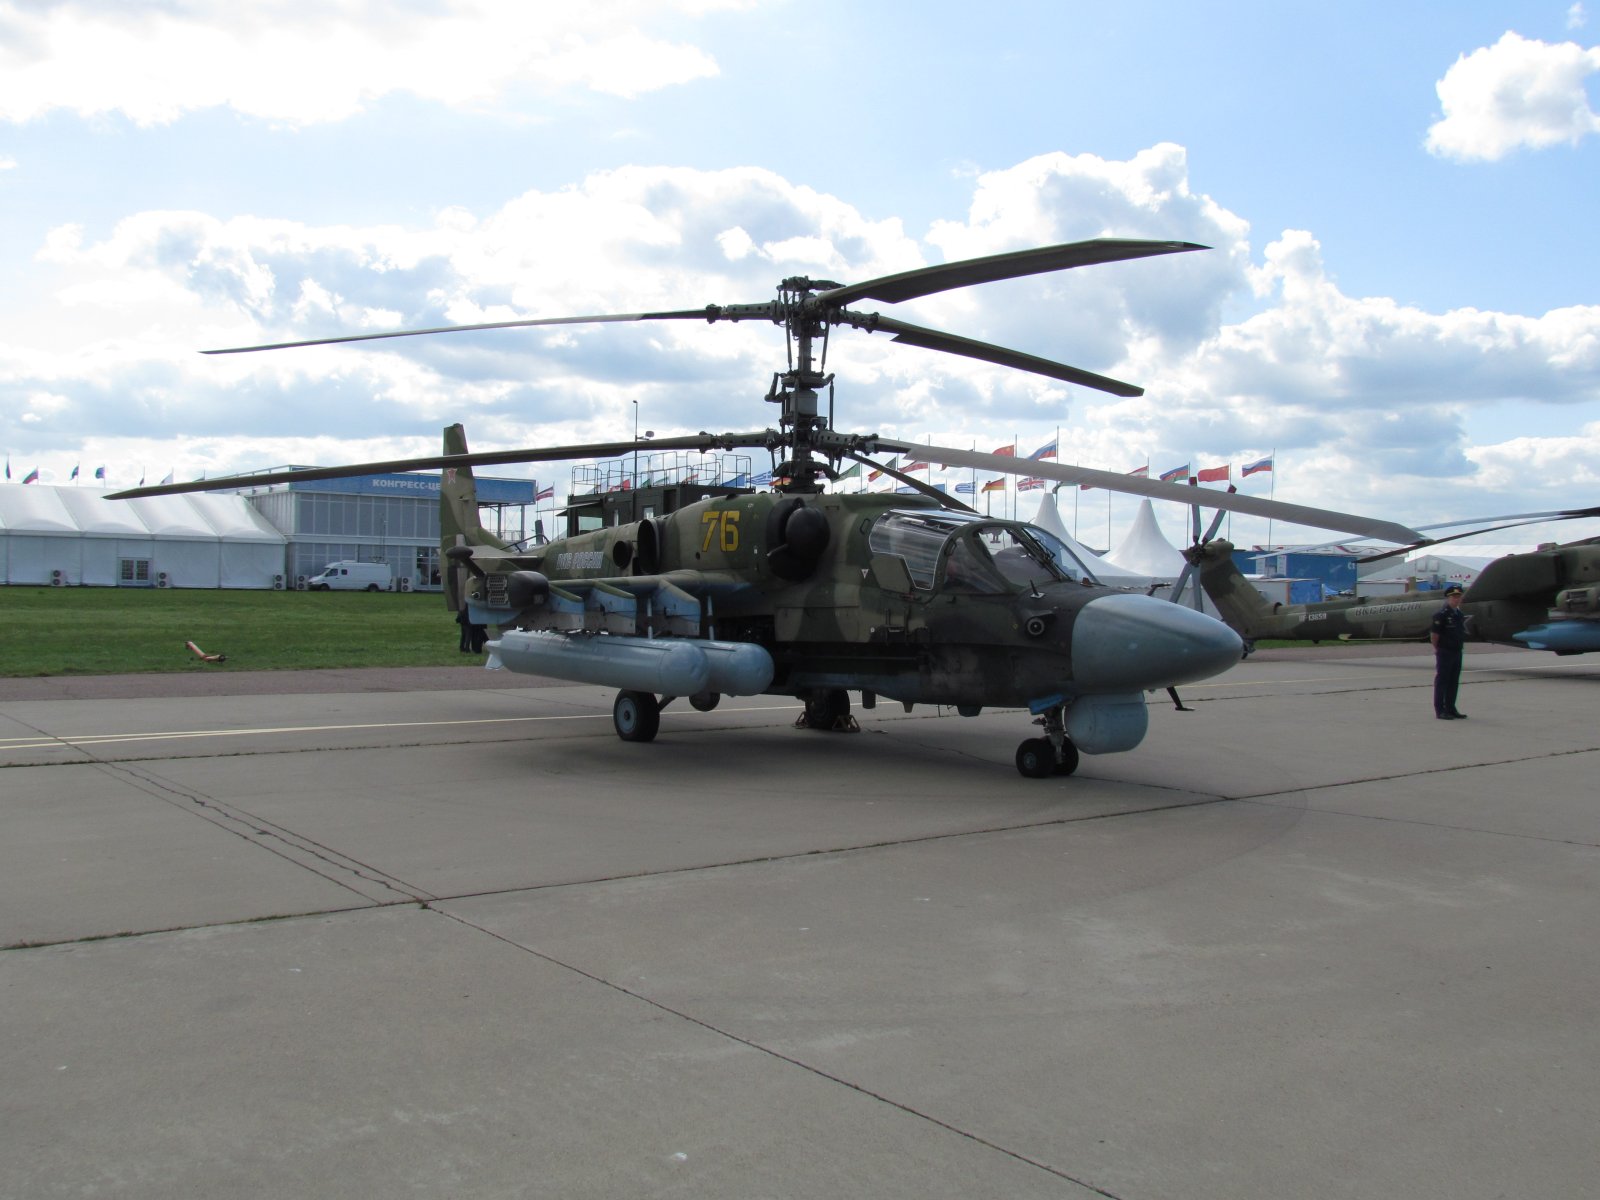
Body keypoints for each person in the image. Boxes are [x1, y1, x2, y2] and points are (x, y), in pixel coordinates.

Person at [1430, 585, 1468, 720]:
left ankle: (1451, 708)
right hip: (1445, 651)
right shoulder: (1441, 615)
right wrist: (1438, 649)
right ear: (1448, 598)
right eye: (1454, 597)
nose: (1456, 599)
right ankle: (1440, 710)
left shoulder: (1459, 615)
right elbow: (1435, 635)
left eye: (1459, 597)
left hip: (1457, 651)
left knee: (1453, 681)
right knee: (1442, 681)